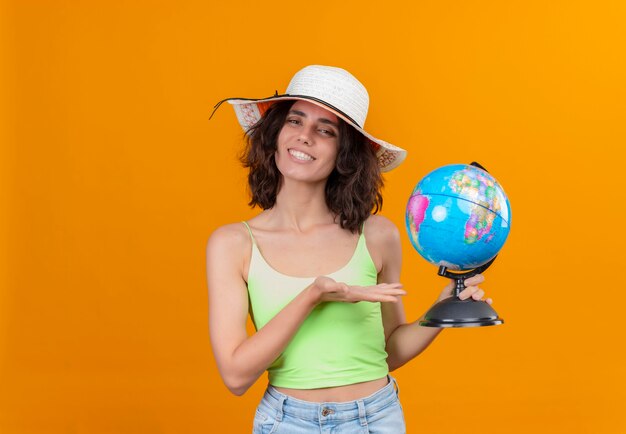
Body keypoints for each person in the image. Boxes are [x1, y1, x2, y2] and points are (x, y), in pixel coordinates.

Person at [206, 65, 490, 433]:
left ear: (345, 153)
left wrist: (441, 309)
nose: (305, 137)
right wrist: (314, 295)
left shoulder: (377, 236)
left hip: (377, 418)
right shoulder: (233, 244)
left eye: (326, 131)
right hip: (288, 423)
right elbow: (235, 376)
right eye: (295, 121)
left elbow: (387, 352)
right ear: (275, 133)